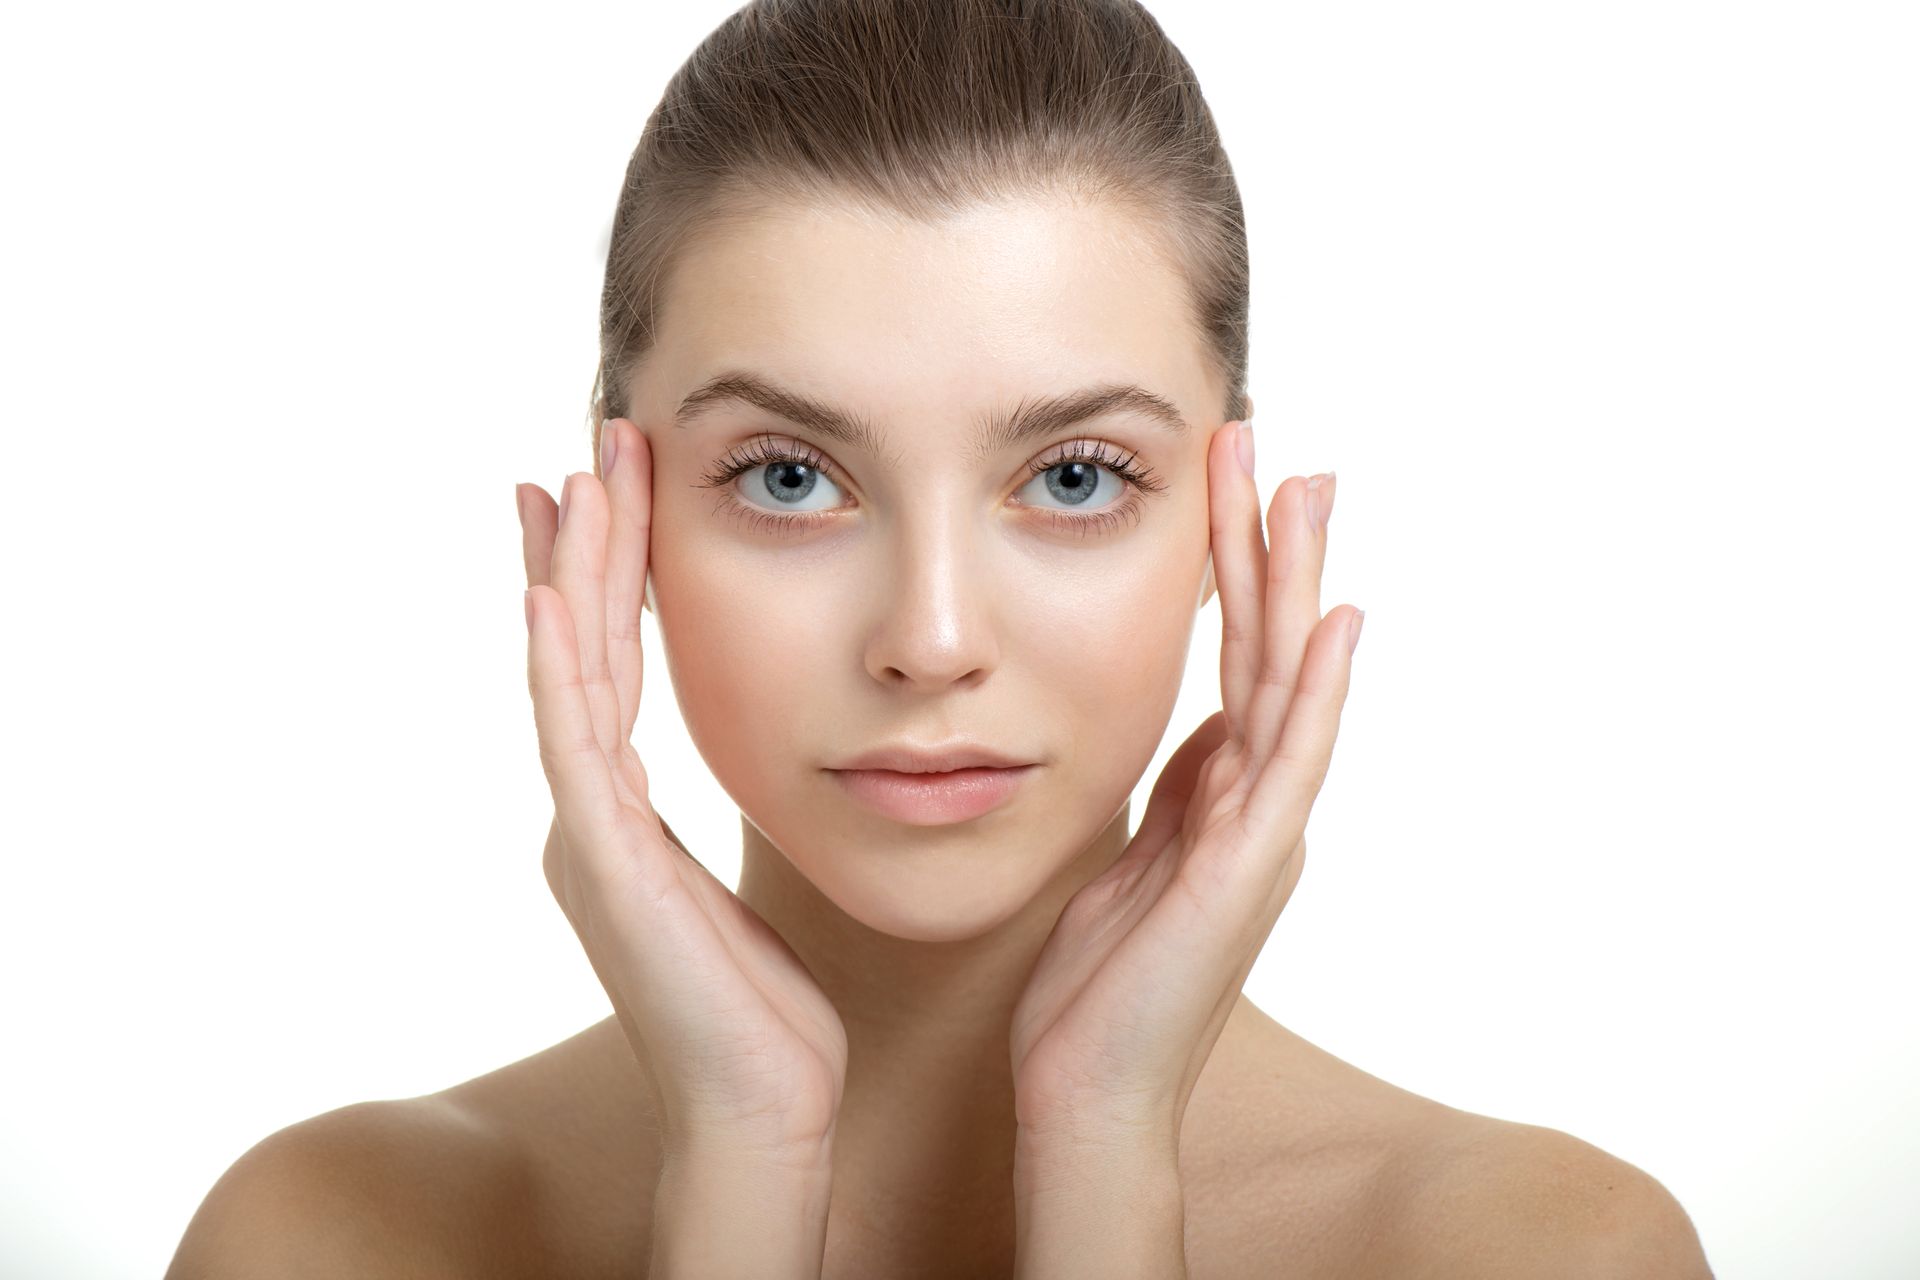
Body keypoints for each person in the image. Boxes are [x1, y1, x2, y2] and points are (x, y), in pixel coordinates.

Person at [167, 1, 1712, 1275]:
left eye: (1072, 477)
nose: (930, 639)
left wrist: (1108, 1153)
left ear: (1223, 523)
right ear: (617, 514)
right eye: (790, 477)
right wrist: (739, 1168)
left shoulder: (1536, 1252)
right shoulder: (336, 1240)